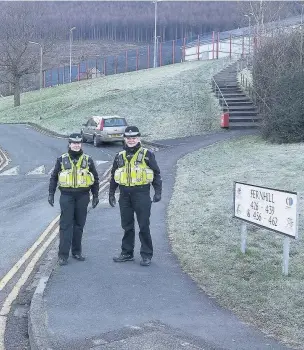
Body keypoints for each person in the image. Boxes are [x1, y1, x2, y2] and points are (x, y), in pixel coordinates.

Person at [109, 126, 162, 266]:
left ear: (138, 138)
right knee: (127, 226)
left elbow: (156, 174)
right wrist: (111, 194)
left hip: (141, 194)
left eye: (133, 138)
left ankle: (146, 255)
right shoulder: (119, 156)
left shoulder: (147, 154)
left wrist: (158, 192)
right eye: (128, 138)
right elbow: (114, 176)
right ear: (124, 139)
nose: (131, 140)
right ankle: (127, 253)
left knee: (144, 225)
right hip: (124, 195)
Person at [48, 133, 100, 266]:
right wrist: (51, 193)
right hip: (67, 196)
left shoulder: (88, 160)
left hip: (83, 196)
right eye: (73, 143)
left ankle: (77, 252)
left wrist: (95, 195)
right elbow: (54, 177)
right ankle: (63, 255)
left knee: (79, 225)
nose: (76, 145)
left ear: (81, 144)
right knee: (65, 225)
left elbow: (95, 179)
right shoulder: (61, 159)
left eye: (78, 143)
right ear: (69, 144)